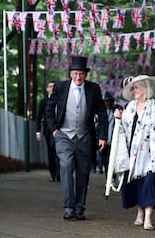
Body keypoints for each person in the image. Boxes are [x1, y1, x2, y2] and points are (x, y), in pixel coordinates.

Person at [46, 56, 108, 221]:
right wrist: (53, 129)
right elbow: (49, 108)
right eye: (75, 73)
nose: (78, 77)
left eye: (81, 74)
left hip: (85, 136)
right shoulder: (60, 87)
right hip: (64, 135)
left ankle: (79, 208)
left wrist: (102, 136)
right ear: (70, 73)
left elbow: (102, 113)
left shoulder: (93, 89)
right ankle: (68, 207)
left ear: (85, 74)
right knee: (65, 167)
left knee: (83, 172)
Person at [114, 75, 155, 230]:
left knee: (149, 183)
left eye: (137, 87)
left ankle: (147, 218)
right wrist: (119, 118)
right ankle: (140, 213)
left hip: (151, 154)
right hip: (133, 155)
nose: (134, 90)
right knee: (137, 184)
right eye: (133, 88)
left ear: (145, 89)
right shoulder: (129, 107)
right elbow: (123, 129)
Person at [36, 81, 60, 182]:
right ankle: (53, 174)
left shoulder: (60, 100)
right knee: (51, 152)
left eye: (54, 86)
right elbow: (39, 117)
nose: (52, 88)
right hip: (48, 130)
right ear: (47, 89)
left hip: (59, 129)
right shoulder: (43, 101)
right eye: (50, 86)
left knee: (59, 151)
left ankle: (60, 173)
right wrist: (38, 132)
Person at [101, 92, 123, 177]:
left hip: (114, 139)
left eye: (109, 101)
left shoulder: (116, 109)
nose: (107, 103)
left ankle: (112, 175)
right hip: (104, 139)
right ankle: (108, 177)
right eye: (106, 101)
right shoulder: (102, 111)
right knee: (105, 160)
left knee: (113, 159)